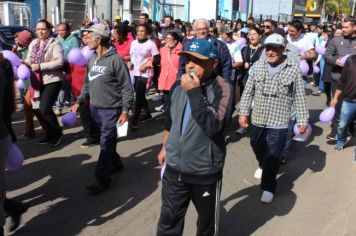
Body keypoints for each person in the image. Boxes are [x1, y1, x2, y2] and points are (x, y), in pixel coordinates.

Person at [156, 38, 233, 236]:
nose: (189, 64)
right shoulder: (177, 85)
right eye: (187, 58)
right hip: (174, 169)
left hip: (204, 171)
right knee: (168, 222)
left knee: (206, 227)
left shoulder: (222, 88)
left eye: (197, 60)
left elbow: (214, 125)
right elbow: (170, 121)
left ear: (213, 63)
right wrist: (165, 146)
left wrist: (194, 92)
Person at [238, 34, 309, 203]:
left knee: (274, 154)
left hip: (279, 120)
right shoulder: (257, 66)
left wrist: (302, 120)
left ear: (283, 49)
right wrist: (243, 112)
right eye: (268, 48)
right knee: (256, 145)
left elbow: (299, 96)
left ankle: (268, 186)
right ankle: (263, 165)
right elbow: (248, 91)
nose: (270, 52)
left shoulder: (293, 68)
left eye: (275, 49)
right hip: (258, 117)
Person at [72, 23, 134, 195]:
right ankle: (116, 163)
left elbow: (126, 87)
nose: (86, 40)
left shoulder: (116, 60)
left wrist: (125, 110)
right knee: (106, 141)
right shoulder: (92, 59)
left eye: (89, 36)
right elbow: (87, 83)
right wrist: (80, 100)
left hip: (111, 111)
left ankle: (102, 179)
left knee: (106, 143)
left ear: (98, 39)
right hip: (95, 109)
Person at [25, 19, 64, 146]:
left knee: (45, 108)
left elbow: (59, 62)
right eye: (38, 29)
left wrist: (41, 66)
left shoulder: (55, 43)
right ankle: (50, 133)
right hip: (37, 80)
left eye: (43, 29)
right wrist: (25, 64)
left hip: (52, 79)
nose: (40, 31)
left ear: (48, 30)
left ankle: (57, 133)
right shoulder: (34, 43)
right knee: (42, 110)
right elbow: (28, 59)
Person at [324, 18, 356, 140]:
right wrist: (335, 61)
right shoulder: (336, 40)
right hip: (338, 79)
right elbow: (327, 55)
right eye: (342, 27)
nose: (343, 29)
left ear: (354, 27)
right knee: (336, 105)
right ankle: (335, 131)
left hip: (353, 81)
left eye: (346, 27)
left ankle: (350, 128)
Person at [70, 25, 100, 148]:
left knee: (92, 114)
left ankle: (93, 136)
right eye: (83, 35)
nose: (86, 37)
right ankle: (92, 135)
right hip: (78, 87)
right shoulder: (79, 50)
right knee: (85, 114)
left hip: (92, 88)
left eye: (89, 35)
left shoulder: (97, 52)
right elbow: (72, 68)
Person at [177, 18, 233, 84]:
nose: (202, 31)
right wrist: (179, 82)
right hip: (192, 82)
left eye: (204, 29)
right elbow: (182, 66)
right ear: (195, 31)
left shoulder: (220, 45)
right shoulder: (188, 45)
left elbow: (226, 67)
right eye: (199, 29)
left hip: (214, 84)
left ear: (208, 29)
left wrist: (226, 84)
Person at [129, 23, 160, 130]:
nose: (140, 33)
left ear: (147, 32)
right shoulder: (133, 43)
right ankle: (147, 113)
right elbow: (132, 56)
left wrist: (147, 64)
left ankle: (134, 120)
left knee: (138, 96)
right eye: (138, 31)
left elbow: (157, 58)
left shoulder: (151, 44)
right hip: (134, 73)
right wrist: (128, 62)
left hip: (145, 74)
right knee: (140, 94)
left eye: (142, 31)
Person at [330, 55, 356, 151]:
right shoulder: (350, 60)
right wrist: (335, 98)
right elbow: (342, 80)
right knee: (342, 125)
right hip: (349, 100)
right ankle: (341, 140)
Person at [55, 22, 81, 116]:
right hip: (60, 67)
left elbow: (75, 55)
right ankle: (59, 107)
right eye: (59, 30)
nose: (60, 32)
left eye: (63, 30)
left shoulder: (73, 40)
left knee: (74, 88)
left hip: (72, 67)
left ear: (68, 30)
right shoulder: (58, 40)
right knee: (62, 88)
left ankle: (78, 106)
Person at [156, 32, 183, 112]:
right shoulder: (163, 50)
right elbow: (155, 59)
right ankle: (168, 121)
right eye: (166, 39)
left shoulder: (182, 50)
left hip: (176, 81)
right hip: (165, 80)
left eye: (169, 39)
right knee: (167, 103)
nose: (166, 41)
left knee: (176, 104)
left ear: (175, 41)